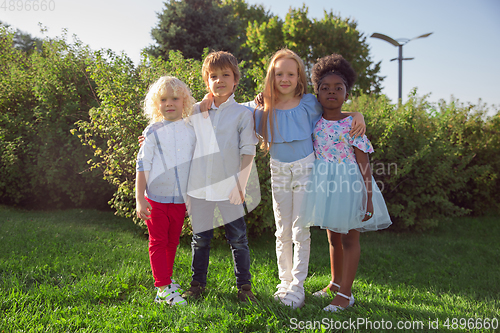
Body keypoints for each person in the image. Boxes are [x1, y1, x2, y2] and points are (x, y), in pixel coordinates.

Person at [201, 48, 365, 309]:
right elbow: (229, 107)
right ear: (272, 76)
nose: (285, 78)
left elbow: (337, 111)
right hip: (278, 168)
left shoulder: (311, 103)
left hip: (305, 169)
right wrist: (207, 100)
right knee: (282, 229)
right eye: (279, 74)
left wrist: (358, 115)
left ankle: (297, 286)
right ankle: (284, 281)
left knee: (300, 229)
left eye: (291, 73)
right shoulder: (261, 107)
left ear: (299, 76)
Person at [301, 54, 392, 312]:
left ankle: (346, 295)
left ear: (346, 93)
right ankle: (335, 282)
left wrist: (368, 196)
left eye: (338, 88)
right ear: (317, 93)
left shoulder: (353, 125)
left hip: (350, 186)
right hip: (326, 186)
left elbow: (364, 162)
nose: (331, 92)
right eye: (325, 88)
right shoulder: (314, 122)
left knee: (350, 239)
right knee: (333, 238)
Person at [182, 51, 259, 303]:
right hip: (199, 188)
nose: (219, 80)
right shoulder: (195, 111)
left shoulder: (242, 115)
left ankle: (244, 287)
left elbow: (248, 152)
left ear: (235, 79)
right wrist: (151, 137)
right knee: (200, 240)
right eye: (213, 76)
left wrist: (241, 185)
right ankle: (197, 284)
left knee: (238, 239)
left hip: (230, 189)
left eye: (225, 75)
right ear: (207, 82)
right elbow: (178, 137)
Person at [135, 76, 196, 305]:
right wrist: (140, 198)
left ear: (184, 102)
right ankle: (161, 288)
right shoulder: (153, 130)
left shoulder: (190, 130)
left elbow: (192, 165)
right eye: (163, 99)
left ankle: (167, 280)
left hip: (179, 199)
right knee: (158, 241)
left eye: (174, 98)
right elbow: (143, 165)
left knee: (172, 242)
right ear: (156, 103)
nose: (169, 103)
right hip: (156, 199)